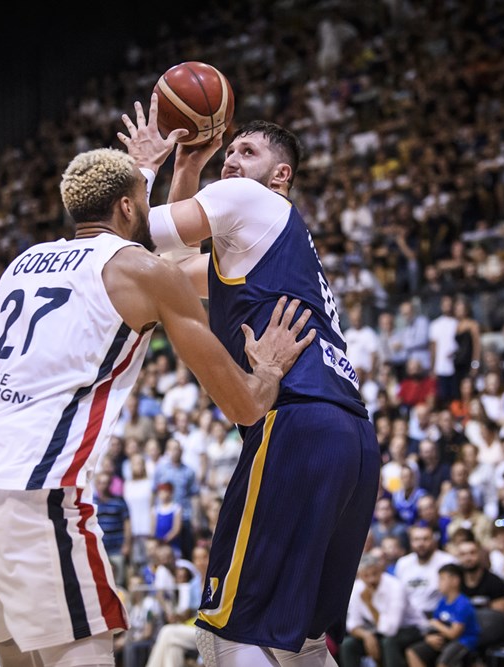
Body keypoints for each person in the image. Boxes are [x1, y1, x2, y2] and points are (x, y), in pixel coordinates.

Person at [0, 146, 314, 666]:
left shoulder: (23, 265)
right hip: (30, 487)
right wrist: (266, 373)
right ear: (131, 210)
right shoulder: (144, 271)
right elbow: (244, 408)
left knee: (19, 658)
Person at [120, 99, 379, 662]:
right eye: (229, 150)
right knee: (306, 645)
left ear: (280, 175)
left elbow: (137, 237)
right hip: (352, 438)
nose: (232, 159)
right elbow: (168, 272)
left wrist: (146, 164)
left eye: (249, 150)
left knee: (230, 633)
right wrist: (189, 164)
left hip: (296, 423)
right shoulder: (270, 245)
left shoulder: (248, 199)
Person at [405, 563, 479, 667]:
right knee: (413, 652)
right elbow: (433, 626)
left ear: (455, 581)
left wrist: (436, 623)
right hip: (445, 638)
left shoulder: (462, 603)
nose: (438, 583)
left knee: (443, 663)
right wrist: (429, 637)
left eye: (442, 579)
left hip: (463, 641)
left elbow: (454, 634)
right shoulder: (442, 602)